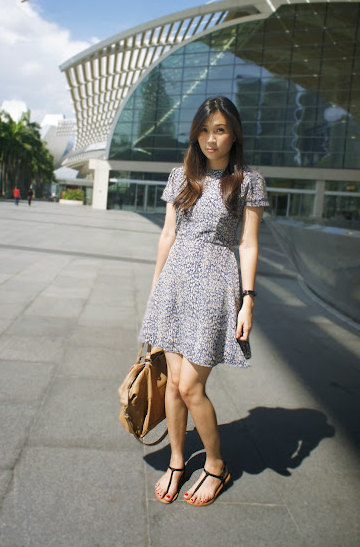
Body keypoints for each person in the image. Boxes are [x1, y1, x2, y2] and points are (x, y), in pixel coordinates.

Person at [139, 96, 269, 507]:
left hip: (215, 285)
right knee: (174, 386)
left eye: (220, 130)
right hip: (175, 283)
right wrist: (156, 289)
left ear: (234, 135)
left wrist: (248, 300)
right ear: (195, 133)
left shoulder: (248, 181)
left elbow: (248, 243)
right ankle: (177, 461)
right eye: (204, 130)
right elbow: (168, 234)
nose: (211, 139)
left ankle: (215, 465)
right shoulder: (181, 176)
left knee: (191, 386)